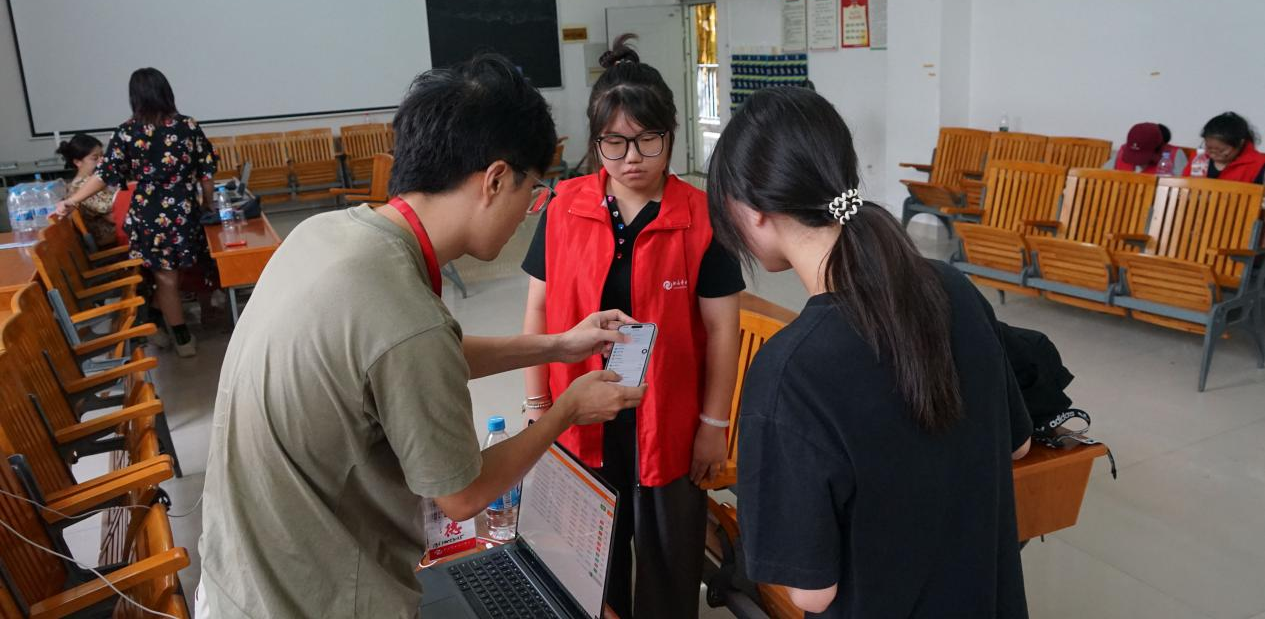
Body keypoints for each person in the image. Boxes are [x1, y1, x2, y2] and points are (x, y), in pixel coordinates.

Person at [195, 54, 645, 619]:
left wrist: (558, 345)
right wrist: (567, 410)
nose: (529, 212)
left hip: (234, 581)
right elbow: (463, 495)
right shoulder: (407, 318)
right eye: (533, 192)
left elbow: (407, 358)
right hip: (306, 601)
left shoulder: (323, 235)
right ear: (495, 180)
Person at [707, 87, 1032, 618]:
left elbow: (811, 591)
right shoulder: (954, 288)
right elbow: (1017, 445)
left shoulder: (791, 371)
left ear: (752, 210)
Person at [521, 36, 743, 619]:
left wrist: (713, 425)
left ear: (672, 135)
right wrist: (537, 403)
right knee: (588, 563)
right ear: (596, 142)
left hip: (668, 419)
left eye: (648, 139)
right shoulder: (563, 207)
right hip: (581, 412)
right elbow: (538, 311)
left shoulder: (702, 217)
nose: (632, 158)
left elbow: (723, 329)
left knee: (670, 566)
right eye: (614, 143)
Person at [55, 67, 218, 357]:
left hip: (148, 213)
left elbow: (104, 174)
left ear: (135, 97)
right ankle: (179, 337)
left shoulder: (127, 131)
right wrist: (208, 203)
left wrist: (73, 200)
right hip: (183, 211)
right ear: (167, 92)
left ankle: (161, 326)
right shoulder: (188, 126)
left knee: (167, 276)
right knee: (173, 274)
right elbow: (206, 172)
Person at [56, 133, 118, 249]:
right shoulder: (82, 186)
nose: (101, 161)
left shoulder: (91, 181)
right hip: (111, 243)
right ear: (77, 162)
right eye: (95, 158)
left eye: (102, 156)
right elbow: (115, 218)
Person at [1183, 111, 1265, 183]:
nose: (1213, 154)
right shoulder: (1198, 158)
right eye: (1209, 148)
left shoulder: (1258, 164)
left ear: (1240, 143)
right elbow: (1184, 185)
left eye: (1221, 150)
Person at [1111, 121, 1186, 175]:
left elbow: (1185, 187)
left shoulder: (1175, 155)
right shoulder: (1122, 152)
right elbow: (1104, 177)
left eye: (1141, 154)